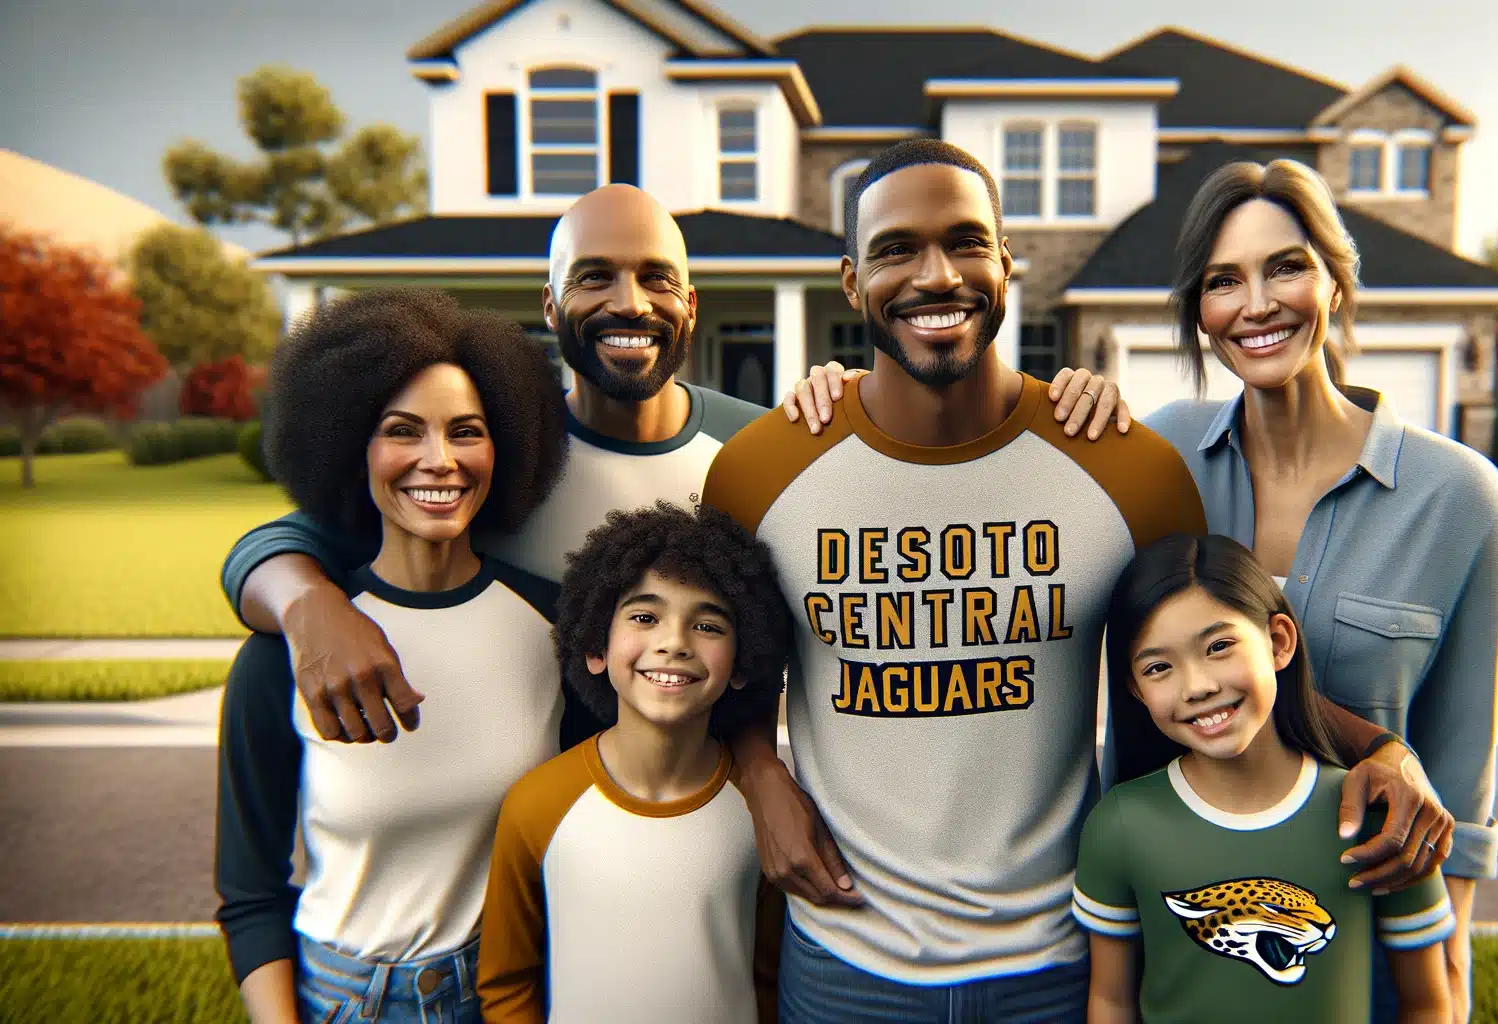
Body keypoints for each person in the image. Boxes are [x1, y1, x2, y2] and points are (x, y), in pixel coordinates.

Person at [700, 138, 1453, 1022]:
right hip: (844, 958)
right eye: (897, 248)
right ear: (851, 279)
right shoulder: (764, 470)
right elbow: (727, 678)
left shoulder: (1119, 463)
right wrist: (759, 773)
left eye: (966, 241)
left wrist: (1383, 750)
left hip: (1059, 960)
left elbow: (1219, 672)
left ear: (1007, 263)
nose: (936, 274)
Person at [214, 184, 1129, 748]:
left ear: (690, 301)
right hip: (531, 835)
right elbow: (295, 536)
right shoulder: (495, 455)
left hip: (714, 833)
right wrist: (305, 601)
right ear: (549, 302)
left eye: (656, 277)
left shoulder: (765, 449)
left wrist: (1067, 409)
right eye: (594, 277)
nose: (629, 303)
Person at [1140, 158, 1498, 1023]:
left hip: (1362, 951)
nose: (1257, 304)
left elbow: (1460, 773)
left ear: (1335, 282)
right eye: (1223, 280)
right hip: (1178, 931)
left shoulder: (1459, 497)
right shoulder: (1159, 461)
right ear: (1200, 309)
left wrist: (1444, 976)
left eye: (1287, 267)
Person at [213, 288, 577, 1023]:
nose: (438, 461)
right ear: (352, 446)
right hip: (343, 999)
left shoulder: (559, 627)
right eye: (402, 431)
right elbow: (250, 893)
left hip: (510, 991)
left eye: (466, 431)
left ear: (504, 444)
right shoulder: (285, 651)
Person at [1074, 532, 1454, 1024]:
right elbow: (1111, 1002)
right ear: (1136, 688)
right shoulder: (1120, 826)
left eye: (1219, 646)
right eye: (1159, 667)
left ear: (1278, 642)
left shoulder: (1377, 817)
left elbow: (1427, 1004)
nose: (1198, 686)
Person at [476, 501, 793, 1024]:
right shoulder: (537, 806)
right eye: (645, 617)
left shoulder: (760, 811)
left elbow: (769, 977)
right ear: (597, 647)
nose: (673, 643)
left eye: (709, 625)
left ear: (743, 663)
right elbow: (508, 985)